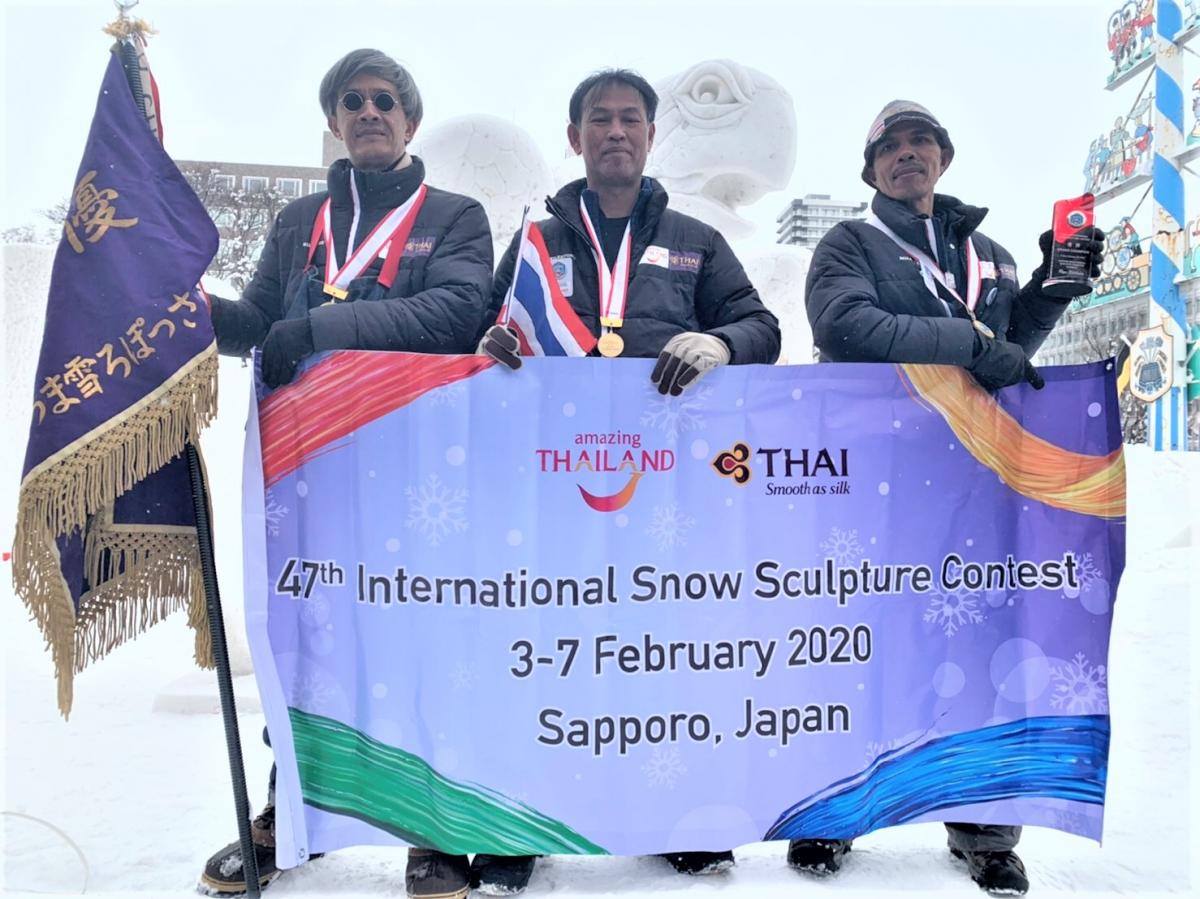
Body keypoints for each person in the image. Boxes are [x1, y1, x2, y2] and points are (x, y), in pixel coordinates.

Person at [198, 49, 496, 899]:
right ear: (333, 121)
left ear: (410, 120)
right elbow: (260, 321)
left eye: (386, 101)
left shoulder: (455, 214)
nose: (370, 112)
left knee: (419, 637)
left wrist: (321, 330)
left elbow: (455, 313)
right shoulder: (301, 219)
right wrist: (185, 306)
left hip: (417, 468)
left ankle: (434, 830)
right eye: (353, 101)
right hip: (309, 468)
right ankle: (289, 815)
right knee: (307, 640)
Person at [478, 68, 781, 887]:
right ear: (574, 137)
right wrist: (490, 347)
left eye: (630, 119)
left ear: (652, 135)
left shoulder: (696, 240)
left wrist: (723, 343)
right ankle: (518, 825)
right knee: (547, 653)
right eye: (599, 119)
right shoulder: (536, 242)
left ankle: (673, 816)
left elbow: (762, 326)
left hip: (666, 494)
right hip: (553, 486)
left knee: (661, 654)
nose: (615, 131)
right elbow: (488, 330)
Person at [799, 100, 1104, 897]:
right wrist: (970, 344)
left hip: (976, 477)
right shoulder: (851, 243)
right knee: (859, 643)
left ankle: (986, 828)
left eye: (922, 142)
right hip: (873, 477)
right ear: (871, 169)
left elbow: (1011, 351)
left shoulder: (988, 255)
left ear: (944, 157)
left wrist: (1051, 288)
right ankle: (834, 812)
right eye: (891, 146)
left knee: (980, 652)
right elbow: (846, 327)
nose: (908, 154)